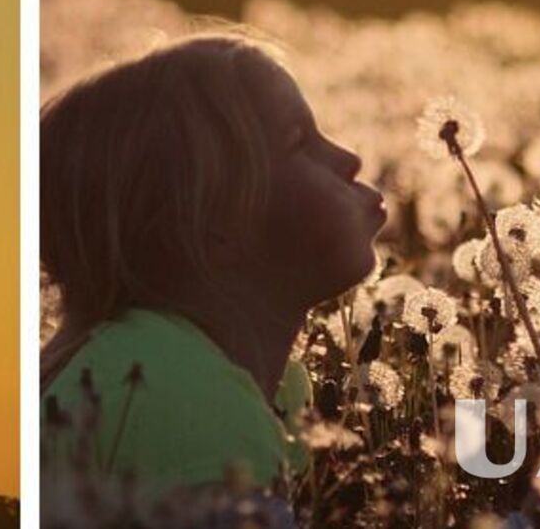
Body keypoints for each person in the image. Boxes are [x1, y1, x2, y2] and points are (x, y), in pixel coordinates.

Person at [38, 34, 384, 500]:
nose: (349, 159)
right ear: (205, 228)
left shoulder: (247, 384)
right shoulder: (182, 402)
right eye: (300, 142)